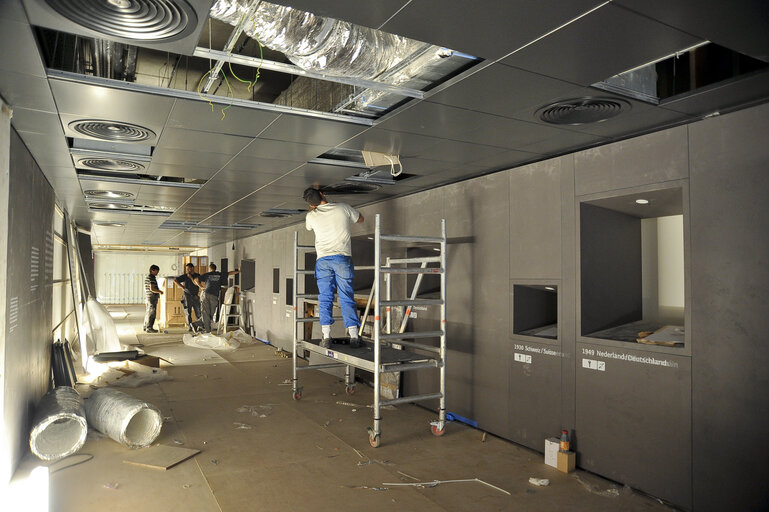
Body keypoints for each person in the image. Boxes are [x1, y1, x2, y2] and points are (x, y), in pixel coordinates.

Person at [303, 187, 364, 348]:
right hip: (341, 258)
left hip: (322, 261)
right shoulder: (342, 207)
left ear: (311, 204)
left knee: (325, 297)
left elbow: (308, 227)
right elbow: (360, 219)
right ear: (323, 194)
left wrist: (313, 208)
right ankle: (354, 336)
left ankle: (326, 337)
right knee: (346, 296)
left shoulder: (311, 216)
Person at [197, 263, 240, 333]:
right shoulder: (219, 274)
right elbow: (230, 273)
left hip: (206, 294)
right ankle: (207, 330)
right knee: (210, 312)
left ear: (210, 268)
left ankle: (197, 324)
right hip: (214, 295)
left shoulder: (207, 274)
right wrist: (238, 271)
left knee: (206, 312)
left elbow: (196, 279)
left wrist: (201, 287)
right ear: (215, 268)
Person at [175, 262, 203, 332]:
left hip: (195, 296)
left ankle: (199, 325)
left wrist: (191, 278)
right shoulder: (185, 276)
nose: (188, 270)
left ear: (192, 268)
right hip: (187, 296)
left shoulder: (197, 275)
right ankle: (190, 327)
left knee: (198, 312)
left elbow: (197, 283)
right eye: (187, 269)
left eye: (189, 269)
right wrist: (182, 287)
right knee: (188, 312)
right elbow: (175, 280)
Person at [143, 264, 163, 333]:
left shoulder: (148, 277)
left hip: (148, 296)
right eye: (157, 271)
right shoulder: (151, 277)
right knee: (152, 312)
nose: (157, 273)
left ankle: (145, 326)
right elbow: (152, 288)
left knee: (148, 311)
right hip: (152, 297)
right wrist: (160, 291)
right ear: (152, 270)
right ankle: (149, 327)